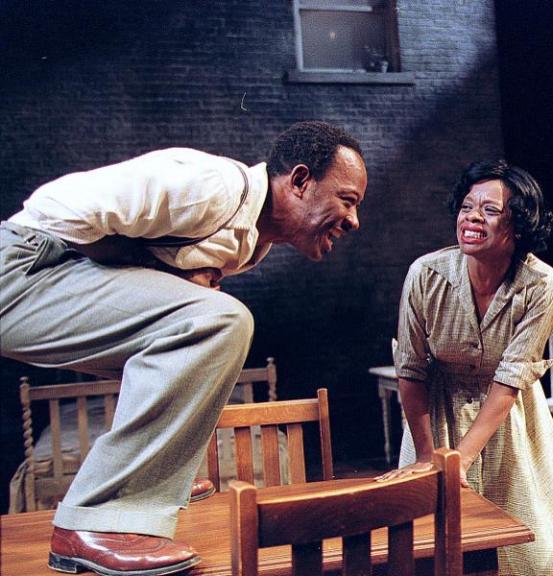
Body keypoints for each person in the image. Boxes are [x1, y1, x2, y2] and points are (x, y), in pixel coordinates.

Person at [0, 120, 367, 576]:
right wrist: (150, 270)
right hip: (22, 268)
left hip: (41, 277)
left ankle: (153, 474)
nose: (354, 220)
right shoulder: (211, 186)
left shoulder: (248, 241)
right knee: (221, 319)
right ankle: (95, 523)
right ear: (299, 181)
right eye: (347, 200)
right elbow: (55, 205)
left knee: (210, 325)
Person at [377, 160, 553, 575]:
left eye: (490, 210)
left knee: (528, 541)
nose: (472, 217)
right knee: (429, 542)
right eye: (467, 207)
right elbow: (410, 369)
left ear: (519, 225)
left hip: (510, 421)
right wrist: (428, 457)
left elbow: (510, 380)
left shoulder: (540, 284)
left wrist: (462, 459)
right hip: (435, 419)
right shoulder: (426, 275)